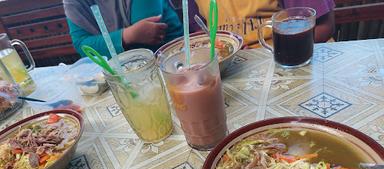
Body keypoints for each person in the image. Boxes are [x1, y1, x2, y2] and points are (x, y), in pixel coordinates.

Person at [64, 0, 183, 58]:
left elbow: (146, 39)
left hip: (172, 59)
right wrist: (127, 35)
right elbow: (82, 46)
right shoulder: (74, 2)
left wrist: (100, 44)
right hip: (119, 74)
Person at [192, 0, 335, 48]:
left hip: (286, 60)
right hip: (231, 74)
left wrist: (279, 52)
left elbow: (324, 27)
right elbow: (202, 32)